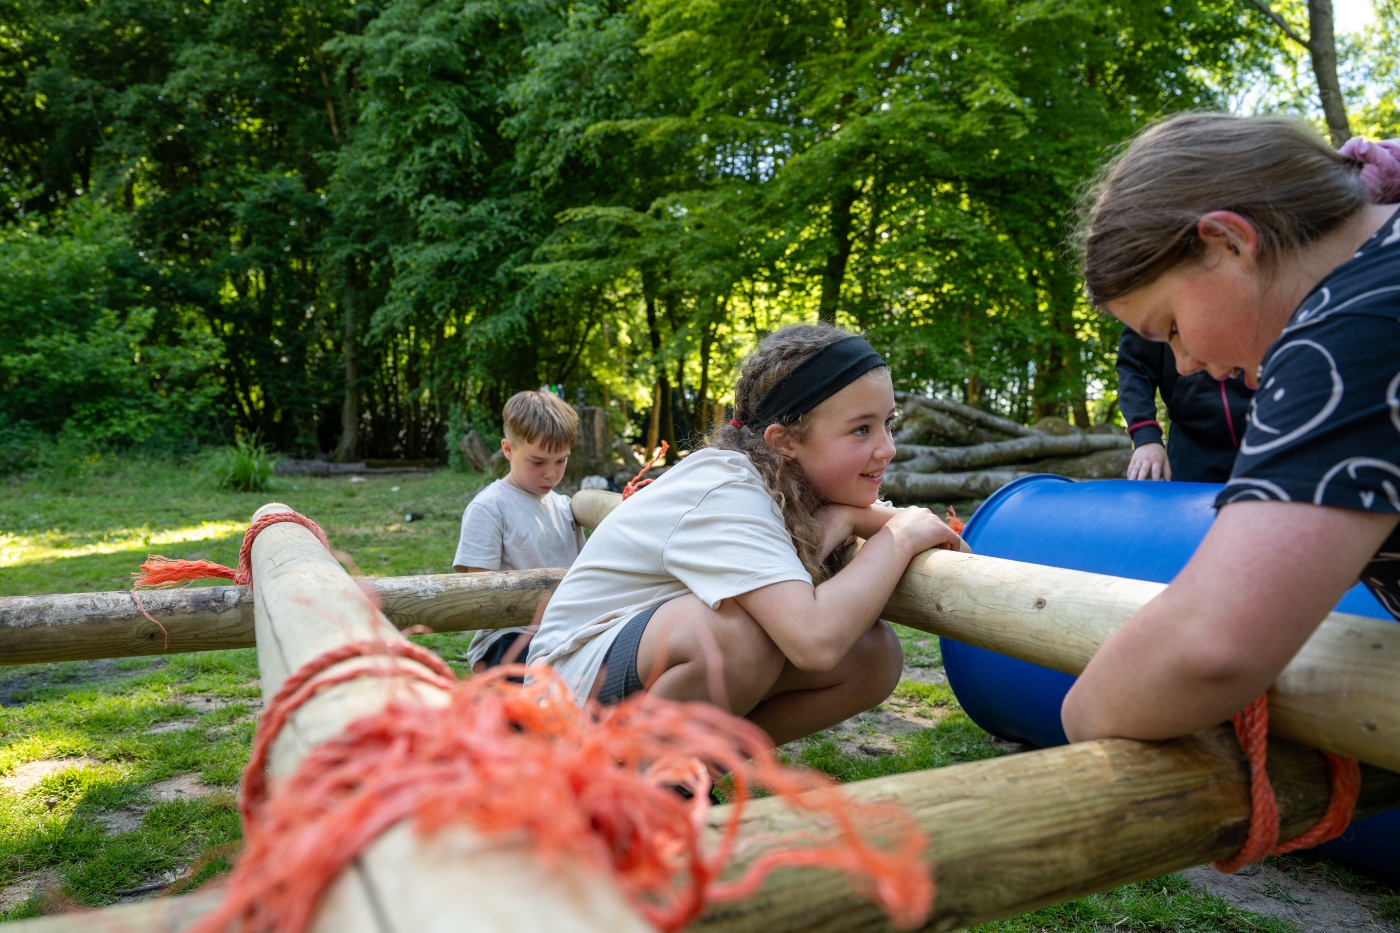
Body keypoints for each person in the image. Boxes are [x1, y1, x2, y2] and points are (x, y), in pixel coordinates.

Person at [1061, 113, 1400, 744]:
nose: (1184, 364)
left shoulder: (1351, 327)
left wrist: (1084, 721)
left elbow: (1211, 646)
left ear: (1229, 243)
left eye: (1174, 328)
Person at [528, 325, 966, 746]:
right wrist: (899, 538)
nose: (887, 446)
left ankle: (689, 773)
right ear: (784, 441)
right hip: (562, 697)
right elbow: (814, 640)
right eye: (860, 429)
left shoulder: (794, 484)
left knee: (873, 654)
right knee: (736, 638)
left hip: (623, 680)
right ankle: (628, 790)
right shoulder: (725, 488)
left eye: (888, 423)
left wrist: (852, 519)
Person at [453, 390, 585, 672]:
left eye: (561, 461)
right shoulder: (489, 508)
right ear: (508, 449)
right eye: (538, 462)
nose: (551, 474)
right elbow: (481, 598)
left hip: (563, 632)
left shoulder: (564, 508)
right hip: (507, 638)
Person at [1117, 323, 1253, 482]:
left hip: (1266, 434)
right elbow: (1134, 367)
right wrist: (1146, 435)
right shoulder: (1148, 306)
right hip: (1190, 448)